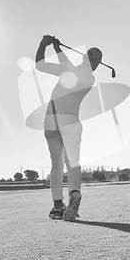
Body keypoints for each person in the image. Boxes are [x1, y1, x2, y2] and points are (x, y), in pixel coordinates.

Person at [35, 35, 102, 221]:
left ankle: (58, 206)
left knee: (56, 165)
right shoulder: (87, 77)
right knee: (72, 162)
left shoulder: (86, 77)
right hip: (69, 121)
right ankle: (73, 195)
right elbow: (40, 65)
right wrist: (49, 46)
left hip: (51, 120)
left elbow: (43, 65)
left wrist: (51, 46)